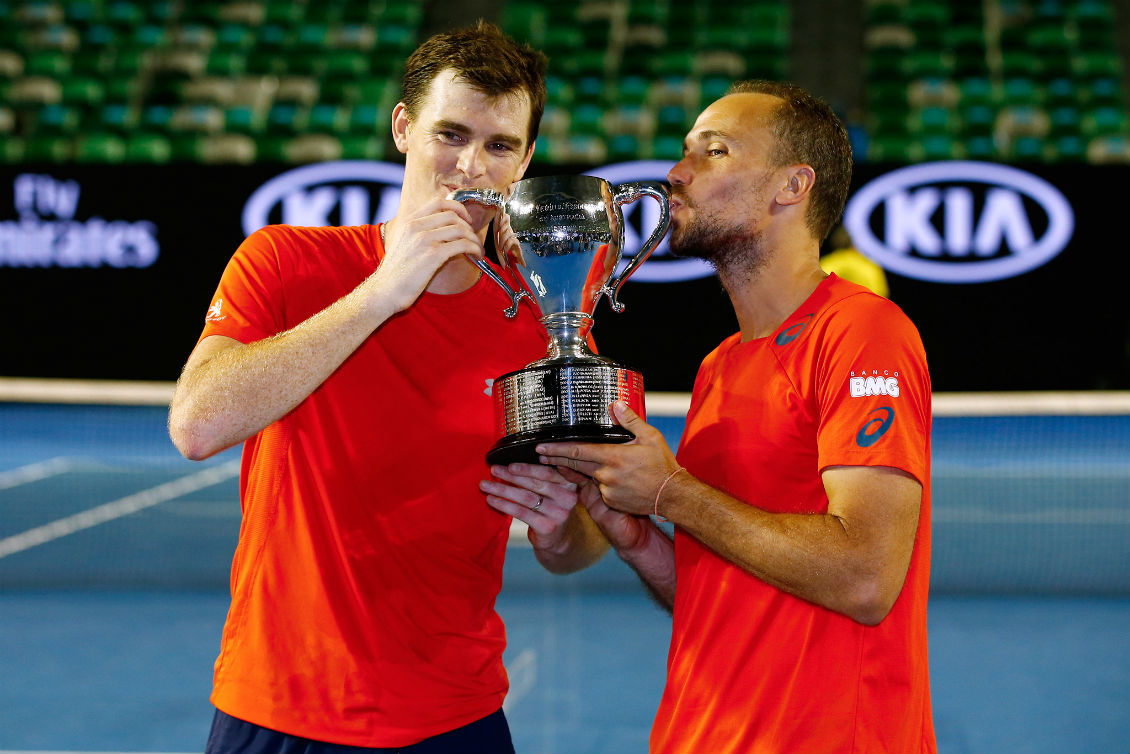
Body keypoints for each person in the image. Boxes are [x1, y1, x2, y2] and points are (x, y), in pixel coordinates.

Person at [168, 21, 608, 753]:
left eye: (500, 146)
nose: (471, 165)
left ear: (526, 159)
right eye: (450, 134)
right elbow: (197, 426)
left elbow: (578, 544)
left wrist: (563, 526)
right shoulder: (284, 261)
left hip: (453, 716)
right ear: (403, 128)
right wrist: (382, 291)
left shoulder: (549, 321)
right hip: (277, 712)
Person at [539, 80, 937, 754]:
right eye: (684, 151)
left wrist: (671, 491)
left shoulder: (863, 331)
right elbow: (715, 593)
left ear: (791, 187)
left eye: (714, 152)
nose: (676, 173)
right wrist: (634, 534)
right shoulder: (720, 363)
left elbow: (865, 577)